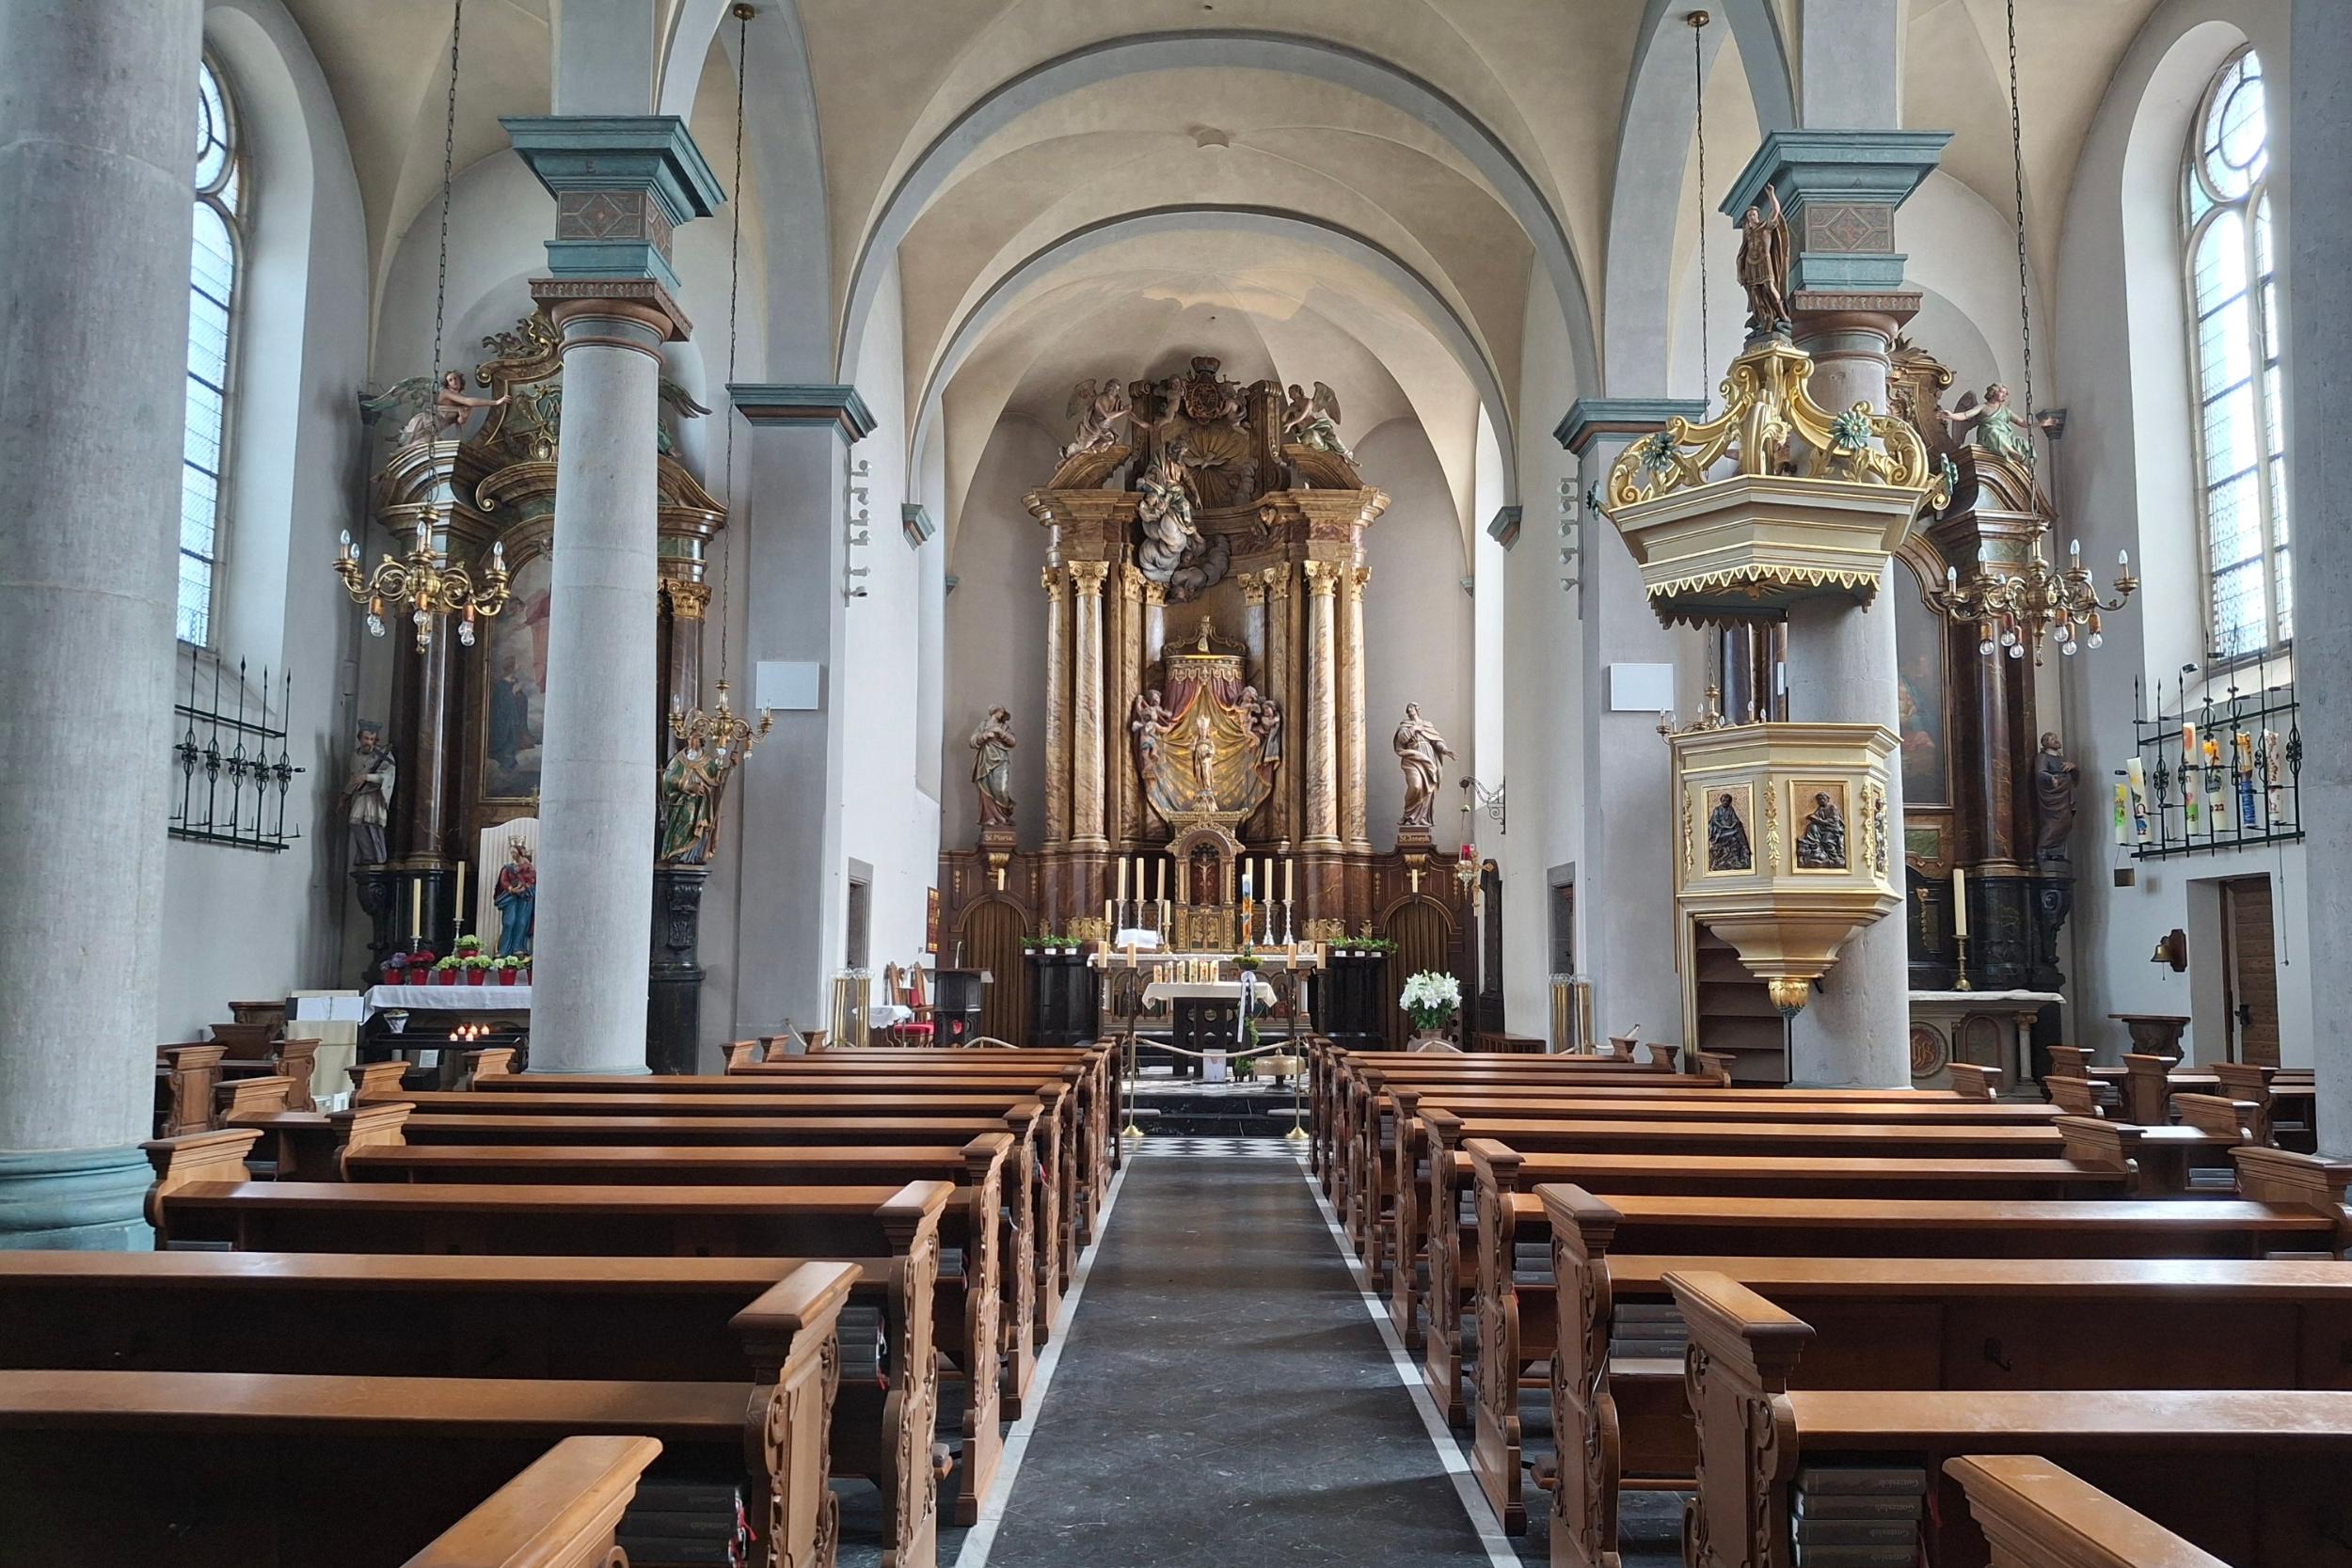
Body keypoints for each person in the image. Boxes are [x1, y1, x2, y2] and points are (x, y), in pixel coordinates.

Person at [1736, 182, 1791, 337]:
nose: (1751, 218)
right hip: (1751, 265)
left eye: (1753, 215)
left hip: (1764, 261)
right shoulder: (1749, 234)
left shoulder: (1766, 227)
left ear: (1758, 216)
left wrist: (1771, 194)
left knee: (1769, 287)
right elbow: (1741, 255)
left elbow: (1775, 210)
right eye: (1749, 216)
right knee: (1755, 293)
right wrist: (1740, 273)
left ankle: (1781, 314)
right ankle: (1764, 319)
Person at [398, 370, 508, 446]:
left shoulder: (464, 402)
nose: (454, 381)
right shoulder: (446, 393)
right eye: (450, 380)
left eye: (456, 378)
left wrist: (463, 416)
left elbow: (460, 421)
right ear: (447, 384)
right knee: (411, 448)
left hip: (435, 430)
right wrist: (496, 402)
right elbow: (469, 401)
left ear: (460, 380)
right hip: (422, 424)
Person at [1392, 703, 1455, 830]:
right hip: (1412, 757)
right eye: (1407, 708)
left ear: (1417, 709)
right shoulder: (1405, 726)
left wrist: (1445, 750)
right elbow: (1402, 739)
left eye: (1411, 707)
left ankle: (1421, 818)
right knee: (1415, 786)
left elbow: (1436, 741)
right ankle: (1408, 813)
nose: (1408, 709)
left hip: (1428, 757)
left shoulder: (1427, 725)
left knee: (1427, 788)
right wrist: (1414, 729)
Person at [342, 723, 396, 865]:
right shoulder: (356, 755)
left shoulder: (383, 754)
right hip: (360, 794)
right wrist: (344, 797)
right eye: (366, 738)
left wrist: (367, 778)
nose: (368, 742)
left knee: (372, 824)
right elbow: (353, 777)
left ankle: (378, 856)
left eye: (372, 739)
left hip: (374, 795)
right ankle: (367, 855)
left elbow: (389, 775)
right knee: (355, 823)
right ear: (360, 738)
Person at [970, 707, 1017, 829]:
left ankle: (1003, 817)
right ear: (995, 712)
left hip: (1001, 760)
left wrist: (1001, 733)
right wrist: (985, 735)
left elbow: (1013, 741)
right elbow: (972, 741)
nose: (1002, 714)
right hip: (985, 759)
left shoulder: (1004, 727)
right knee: (985, 788)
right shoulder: (984, 725)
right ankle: (989, 817)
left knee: (1002, 789)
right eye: (1001, 712)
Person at [492, 836, 535, 958]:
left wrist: (525, 887)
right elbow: (503, 881)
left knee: (522, 922)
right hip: (511, 898)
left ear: (520, 852)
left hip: (525, 898)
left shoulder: (529, 867)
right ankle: (504, 949)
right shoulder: (508, 868)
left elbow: (533, 880)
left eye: (514, 852)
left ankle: (518, 948)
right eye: (511, 852)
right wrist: (512, 889)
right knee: (509, 922)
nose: (512, 855)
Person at [1795, 791, 1848, 868]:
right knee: (1812, 826)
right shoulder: (1820, 808)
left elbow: (1833, 820)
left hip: (1833, 829)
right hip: (1823, 828)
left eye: (1823, 798)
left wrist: (1820, 821)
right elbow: (1815, 816)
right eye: (1819, 799)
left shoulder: (1832, 807)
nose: (1821, 800)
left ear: (1827, 799)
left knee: (1827, 839)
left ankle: (1835, 857)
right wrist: (1813, 817)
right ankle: (1814, 843)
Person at [1707, 791, 1752, 871]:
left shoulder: (1730, 809)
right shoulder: (1717, 810)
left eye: (1727, 801)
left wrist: (1734, 824)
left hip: (1729, 829)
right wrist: (1726, 827)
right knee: (1736, 832)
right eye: (1723, 800)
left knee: (1739, 827)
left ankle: (1744, 848)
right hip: (1720, 832)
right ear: (1721, 801)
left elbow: (1735, 819)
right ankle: (1744, 847)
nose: (1725, 802)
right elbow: (1716, 822)